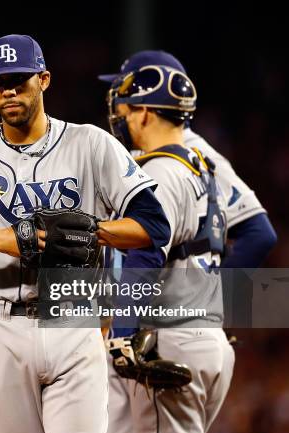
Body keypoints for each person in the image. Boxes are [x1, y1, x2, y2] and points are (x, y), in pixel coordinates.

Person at [0, 34, 171, 433]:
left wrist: (95, 231)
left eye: (19, 79)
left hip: (74, 318)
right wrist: (0, 240)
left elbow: (153, 227)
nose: (9, 90)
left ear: (43, 80)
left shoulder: (90, 143)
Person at [102, 62, 236, 433]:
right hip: (207, 336)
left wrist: (122, 334)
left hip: (170, 337)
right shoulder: (203, 171)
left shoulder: (160, 172)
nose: (121, 119)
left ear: (143, 112)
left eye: (125, 111)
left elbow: (146, 254)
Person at [98, 50, 277, 271]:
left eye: (131, 85)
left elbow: (258, 234)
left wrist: (222, 297)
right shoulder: (145, 148)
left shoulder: (197, 154)